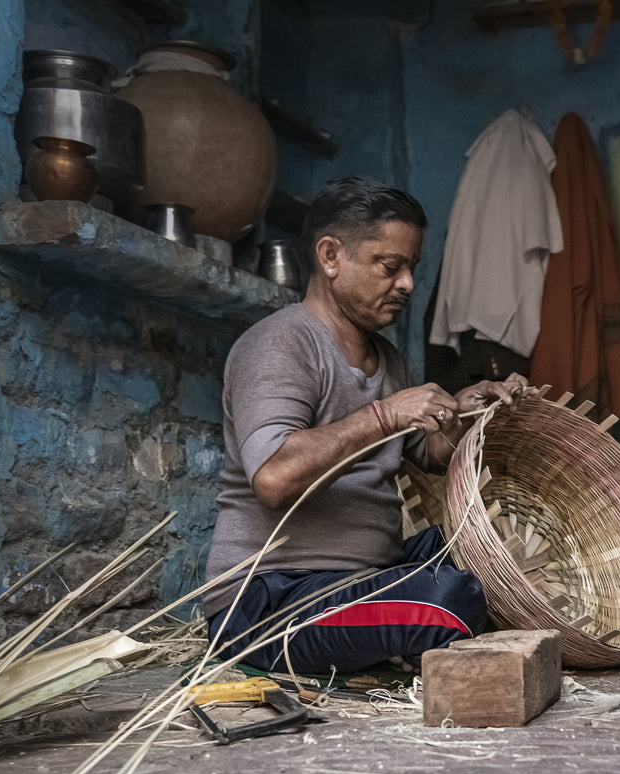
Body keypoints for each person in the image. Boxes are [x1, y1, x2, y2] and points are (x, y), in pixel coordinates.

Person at [203, 176, 527, 675]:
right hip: (268, 603)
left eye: (412, 269)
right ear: (331, 256)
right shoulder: (280, 345)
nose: (407, 285)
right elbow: (272, 478)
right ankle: (411, 637)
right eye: (390, 267)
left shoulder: (387, 358)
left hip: (360, 579)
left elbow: (428, 454)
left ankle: (397, 636)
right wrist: (384, 413)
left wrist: (462, 415)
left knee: (477, 550)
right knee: (445, 598)